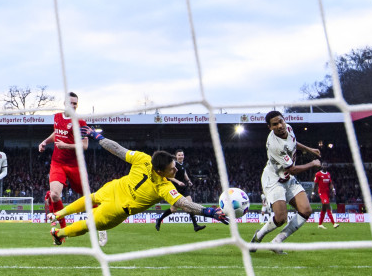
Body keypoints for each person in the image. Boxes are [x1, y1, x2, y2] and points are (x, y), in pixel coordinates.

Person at [47, 126, 229, 245]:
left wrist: (97, 136)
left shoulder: (144, 159)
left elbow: (118, 150)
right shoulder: (164, 188)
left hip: (114, 187)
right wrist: (209, 212)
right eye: (172, 169)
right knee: (88, 224)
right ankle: (59, 233)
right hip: (118, 208)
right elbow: (183, 204)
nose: (175, 171)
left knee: (92, 198)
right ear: (160, 171)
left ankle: (57, 214)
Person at [38, 92, 107, 246]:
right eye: (71, 103)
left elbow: (84, 146)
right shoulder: (57, 117)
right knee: (55, 195)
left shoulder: (80, 122)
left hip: (75, 165)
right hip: (57, 163)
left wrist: (65, 146)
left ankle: (101, 226)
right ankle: (62, 232)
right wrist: (45, 142)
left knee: (89, 199)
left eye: (76, 103)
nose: (73, 106)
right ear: (64, 103)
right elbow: (57, 133)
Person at [250, 111, 321, 254]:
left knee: (306, 210)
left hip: (287, 178)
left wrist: (309, 149)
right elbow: (293, 169)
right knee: (281, 218)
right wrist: (312, 163)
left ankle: (276, 242)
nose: (280, 126)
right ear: (270, 127)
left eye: (281, 121)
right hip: (274, 179)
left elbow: (293, 142)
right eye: (275, 124)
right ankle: (258, 236)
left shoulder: (288, 128)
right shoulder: (275, 146)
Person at [155, 149, 205, 232]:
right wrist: (178, 182)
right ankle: (159, 220)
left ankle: (195, 226)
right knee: (173, 210)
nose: (181, 156)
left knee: (190, 204)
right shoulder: (173, 165)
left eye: (182, 155)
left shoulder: (182, 164)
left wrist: (188, 181)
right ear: (176, 156)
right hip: (175, 188)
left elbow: (184, 173)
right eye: (179, 155)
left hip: (183, 188)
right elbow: (169, 176)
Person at [312, 162, 338, 229]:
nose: (324, 166)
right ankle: (334, 223)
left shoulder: (328, 174)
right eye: (323, 165)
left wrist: (333, 189)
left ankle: (320, 224)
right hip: (321, 192)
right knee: (327, 205)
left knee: (324, 208)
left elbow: (330, 183)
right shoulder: (318, 174)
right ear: (321, 166)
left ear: (327, 166)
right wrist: (313, 193)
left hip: (327, 193)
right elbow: (315, 184)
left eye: (326, 165)